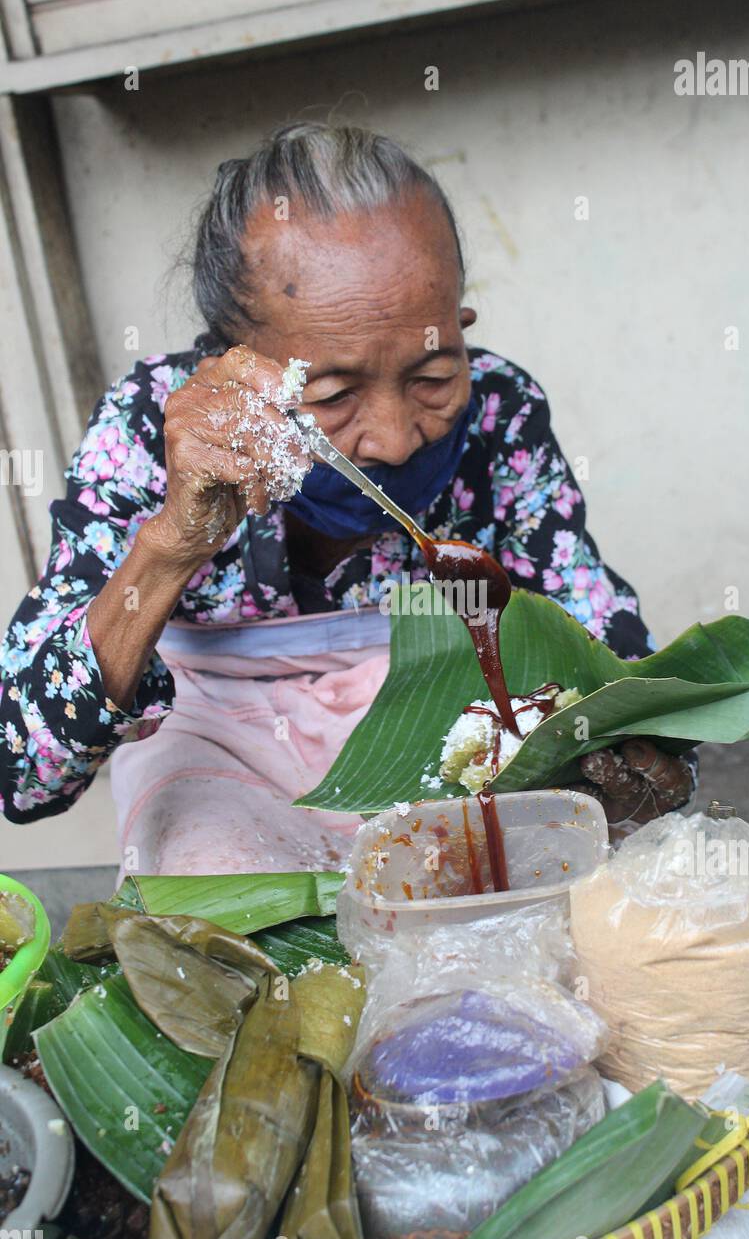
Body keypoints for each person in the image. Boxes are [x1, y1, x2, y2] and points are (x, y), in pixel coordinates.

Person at [0, 122, 693, 875]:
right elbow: (24, 773)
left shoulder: (500, 410)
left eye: (432, 377)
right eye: (332, 393)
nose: (394, 440)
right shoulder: (148, 427)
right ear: (232, 365)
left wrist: (642, 757)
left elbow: (602, 643)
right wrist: (172, 545)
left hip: (435, 745)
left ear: (462, 330)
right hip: (216, 761)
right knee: (220, 884)